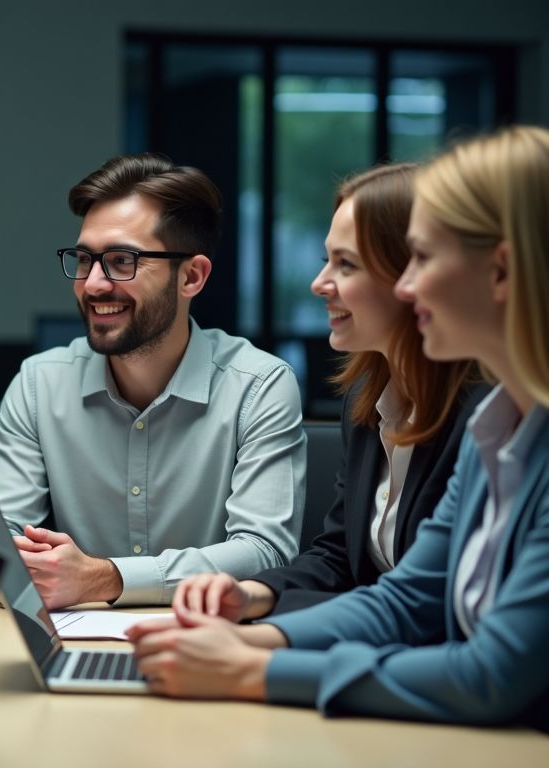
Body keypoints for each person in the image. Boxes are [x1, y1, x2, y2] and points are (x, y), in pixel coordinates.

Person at [128, 125, 549, 731]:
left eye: (423, 258)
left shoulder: (487, 422)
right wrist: (252, 639)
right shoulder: (498, 425)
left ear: (502, 271)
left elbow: (492, 674)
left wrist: (255, 670)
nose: (408, 285)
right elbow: (406, 598)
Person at [0, 153, 305, 608]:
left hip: (206, 638)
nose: (93, 284)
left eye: (121, 260)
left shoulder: (258, 386)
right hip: (73, 638)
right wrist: (14, 562)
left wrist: (106, 578)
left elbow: (265, 552)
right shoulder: (39, 384)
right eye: (84, 259)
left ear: (191, 276)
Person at [173, 164, 486, 620]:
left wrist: (266, 644)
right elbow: (339, 558)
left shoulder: (485, 416)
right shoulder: (368, 401)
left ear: (413, 274)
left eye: (346, 264)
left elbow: (428, 606)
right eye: (327, 260)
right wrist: (252, 595)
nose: (319, 283)